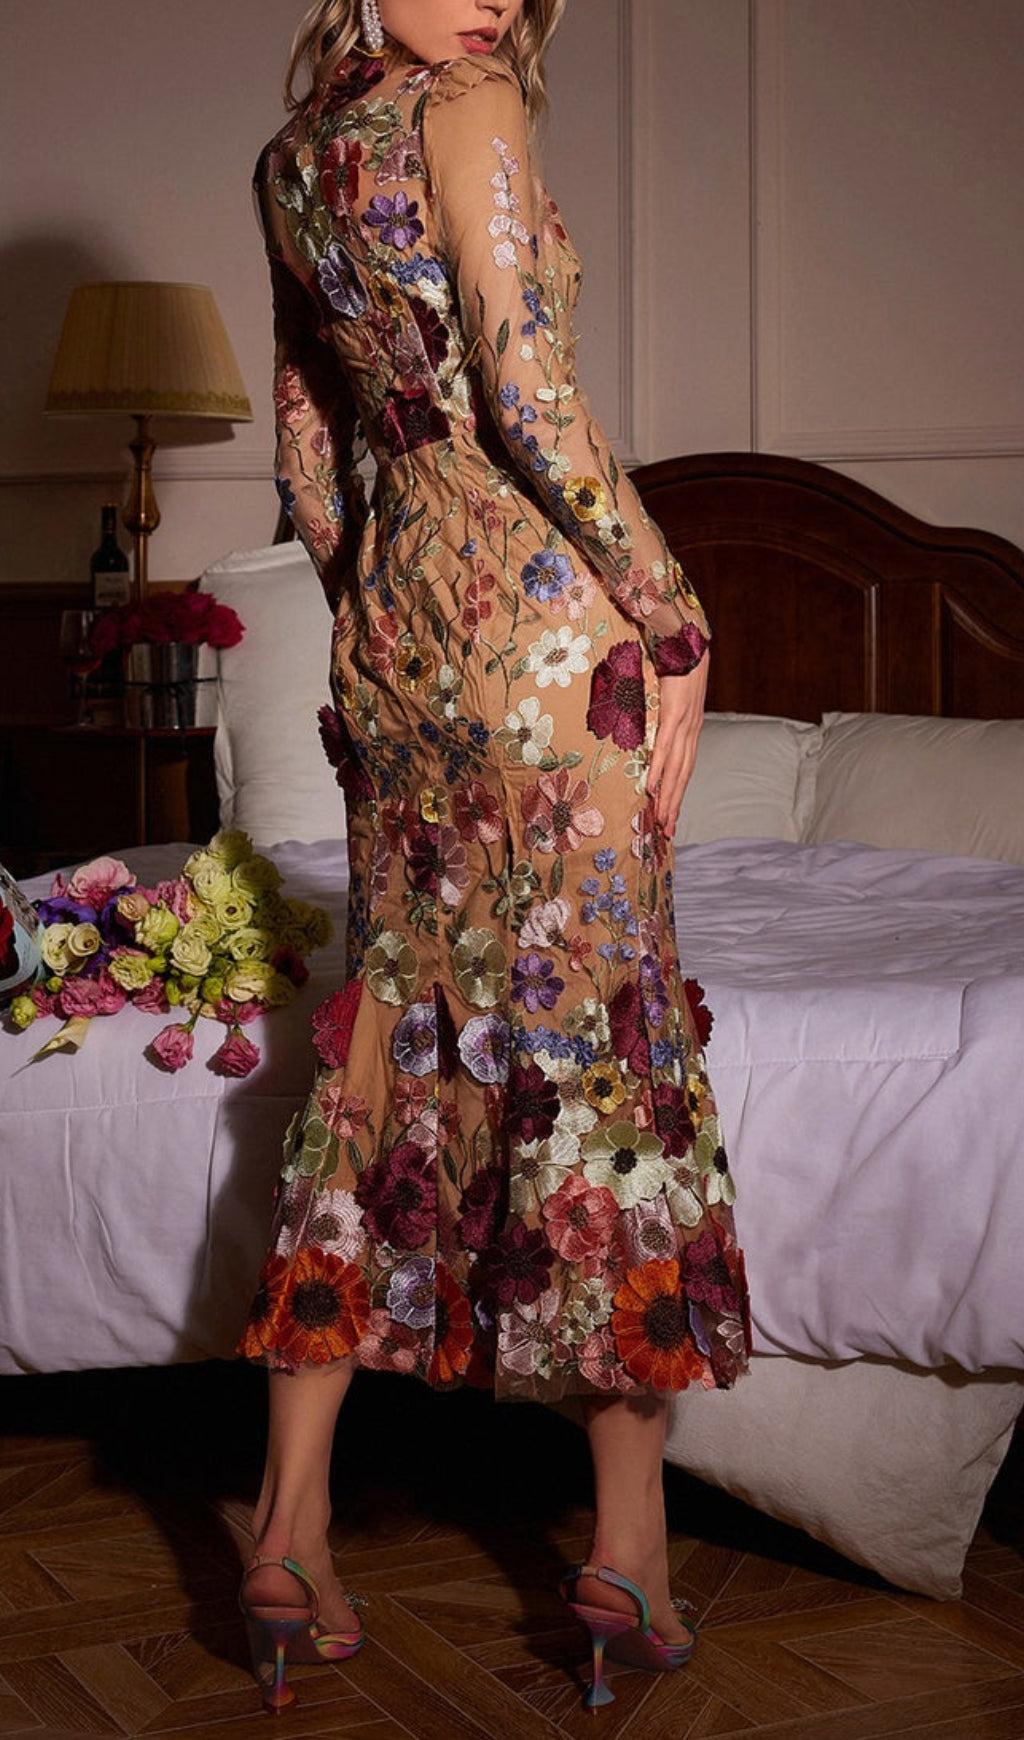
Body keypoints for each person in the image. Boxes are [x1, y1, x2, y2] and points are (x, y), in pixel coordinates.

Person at [234, 0, 754, 1713]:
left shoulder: (294, 157)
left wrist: (391, 609)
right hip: (539, 631)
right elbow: (531, 394)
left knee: (380, 1046)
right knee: (599, 1048)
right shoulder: (469, 106)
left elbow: (312, 463)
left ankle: (289, 1530)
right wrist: (670, 611)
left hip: (393, 633)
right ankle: (629, 1549)